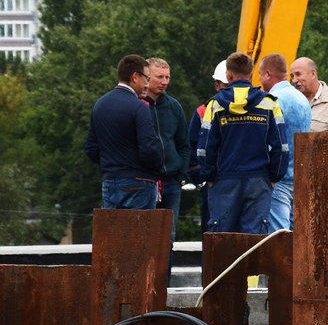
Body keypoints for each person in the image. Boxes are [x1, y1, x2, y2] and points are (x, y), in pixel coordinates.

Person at [197, 52, 288, 234]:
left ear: (229, 75)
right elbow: (281, 147)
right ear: (251, 74)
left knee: (222, 239)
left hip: (224, 180)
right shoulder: (269, 104)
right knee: (255, 242)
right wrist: (274, 176)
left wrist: (209, 176)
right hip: (259, 181)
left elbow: (204, 148)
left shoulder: (215, 105)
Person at [84, 54, 163, 209]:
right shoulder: (139, 107)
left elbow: (91, 148)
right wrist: (157, 168)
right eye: (146, 78)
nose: (147, 84)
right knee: (140, 226)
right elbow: (149, 149)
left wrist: (110, 165)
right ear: (135, 77)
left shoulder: (100, 105)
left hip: (109, 182)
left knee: (112, 225)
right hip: (139, 182)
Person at [258, 53, 312, 230]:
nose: (259, 80)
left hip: (278, 179)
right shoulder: (302, 99)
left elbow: (268, 141)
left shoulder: (273, 100)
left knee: (278, 234)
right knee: (296, 233)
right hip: (298, 177)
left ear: (268, 74)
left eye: (260, 74)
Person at [144, 57, 189, 248]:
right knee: (144, 236)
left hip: (171, 181)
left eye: (167, 77)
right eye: (159, 77)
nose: (164, 82)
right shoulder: (136, 105)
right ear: (147, 77)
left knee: (168, 238)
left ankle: (166, 269)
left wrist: (181, 176)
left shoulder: (174, 106)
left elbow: (184, 144)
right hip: (145, 181)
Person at [188, 60, 229, 232]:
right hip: (214, 180)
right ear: (217, 85)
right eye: (227, 85)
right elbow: (193, 148)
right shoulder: (203, 111)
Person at [289, 56, 328, 132]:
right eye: (292, 76)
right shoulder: (290, 101)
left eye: (298, 74)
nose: (294, 80)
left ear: (313, 74)